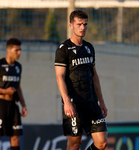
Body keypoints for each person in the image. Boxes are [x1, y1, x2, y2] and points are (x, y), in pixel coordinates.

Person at [54, 10, 108, 150]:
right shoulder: (63, 49)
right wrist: (66, 102)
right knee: (75, 144)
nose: (83, 27)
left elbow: (94, 75)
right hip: (73, 104)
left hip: (91, 102)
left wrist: (101, 101)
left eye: (85, 24)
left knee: (102, 142)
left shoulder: (89, 48)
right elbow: (59, 76)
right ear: (71, 25)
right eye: (79, 24)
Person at [0, 38, 28, 150]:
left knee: (15, 139)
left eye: (20, 50)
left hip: (13, 106)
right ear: (8, 50)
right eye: (16, 50)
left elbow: (18, 87)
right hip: (0, 105)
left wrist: (23, 104)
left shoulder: (18, 67)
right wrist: (4, 91)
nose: (19, 53)